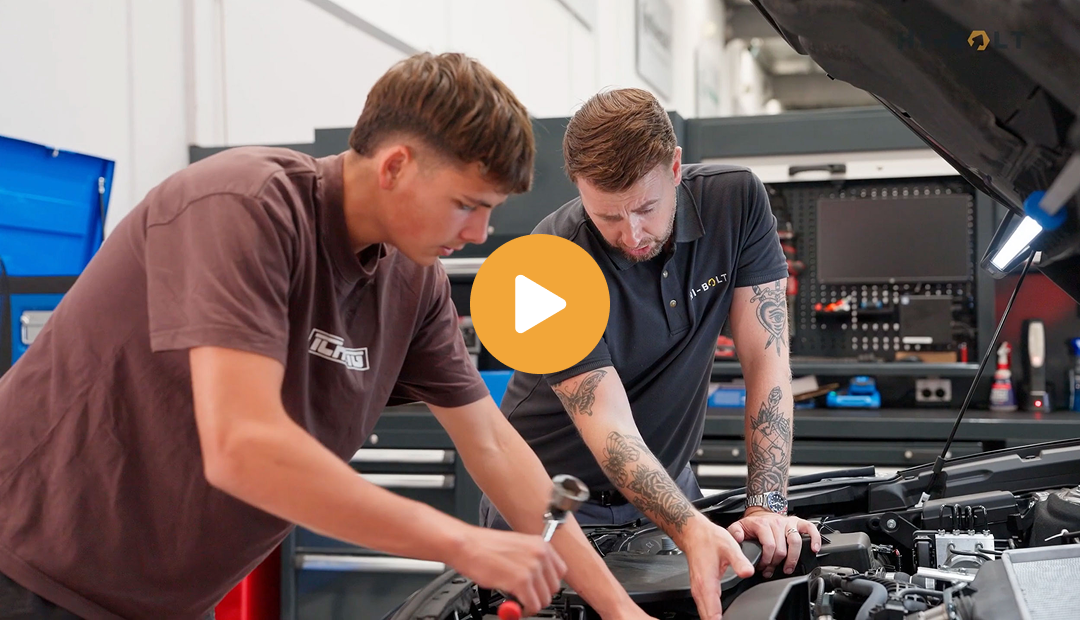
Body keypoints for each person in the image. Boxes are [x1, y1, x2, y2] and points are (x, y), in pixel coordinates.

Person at [0, 53, 652, 620]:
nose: (480, 233)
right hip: (28, 571)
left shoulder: (412, 284)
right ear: (395, 165)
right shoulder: (243, 206)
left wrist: (619, 608)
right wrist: (460, 542)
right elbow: (242, 446)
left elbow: (492, 445)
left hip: (163, 599)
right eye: (467, 204)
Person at [478, 88, 823, 620]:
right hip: (550, 503)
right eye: (608, 216)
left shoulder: (737, 201)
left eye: (645, 208)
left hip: (669, 484)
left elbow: (768, 363)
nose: (631, 234)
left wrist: (768, 505)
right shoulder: (549, 263)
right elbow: (609, 427)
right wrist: (689, 527)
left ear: (676, 167)